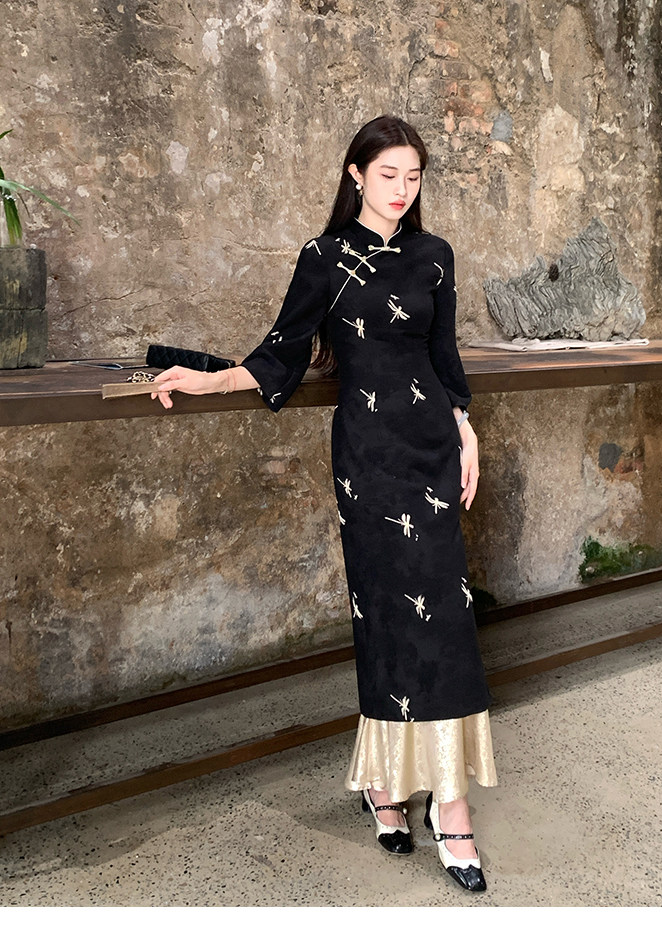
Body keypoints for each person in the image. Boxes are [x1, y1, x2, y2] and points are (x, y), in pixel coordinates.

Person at [150, 115, 498, 893]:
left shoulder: (435, 256)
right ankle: (383, 782)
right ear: (355, 175)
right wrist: (207, 378)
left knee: (444, 621)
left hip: (433, 453)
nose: (402, 190)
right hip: (369, 462)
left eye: (413, 177)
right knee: (383, 615)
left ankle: (450, 805)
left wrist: (467, 429)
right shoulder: (325, 257)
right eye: (388, 175)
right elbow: (281, 350)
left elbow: (444, 356)